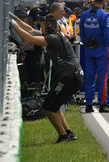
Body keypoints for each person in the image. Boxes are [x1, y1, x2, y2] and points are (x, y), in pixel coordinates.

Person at [11, 13, 83, 143]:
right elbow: (31, 30)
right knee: (53, 104)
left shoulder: (53, 38)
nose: (41, 29)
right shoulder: (55, 35)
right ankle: (68, 133)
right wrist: (15, 19)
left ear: (48, 27)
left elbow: (30, 38)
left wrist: (13, 25)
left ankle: (63, 136)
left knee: (48, 107)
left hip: (70, 77)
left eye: (43, 27)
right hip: (71, 76)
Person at [79, 0, 109, 113]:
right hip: (101, 50)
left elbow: (81, 33)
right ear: (104, 2)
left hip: (89, 50)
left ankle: (88, 104)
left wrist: (87, 43)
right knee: (103, 78)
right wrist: (106, 45)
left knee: (89, 77)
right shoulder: (104, 15)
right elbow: (108, 35)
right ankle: (102, 104)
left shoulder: (84, 15)